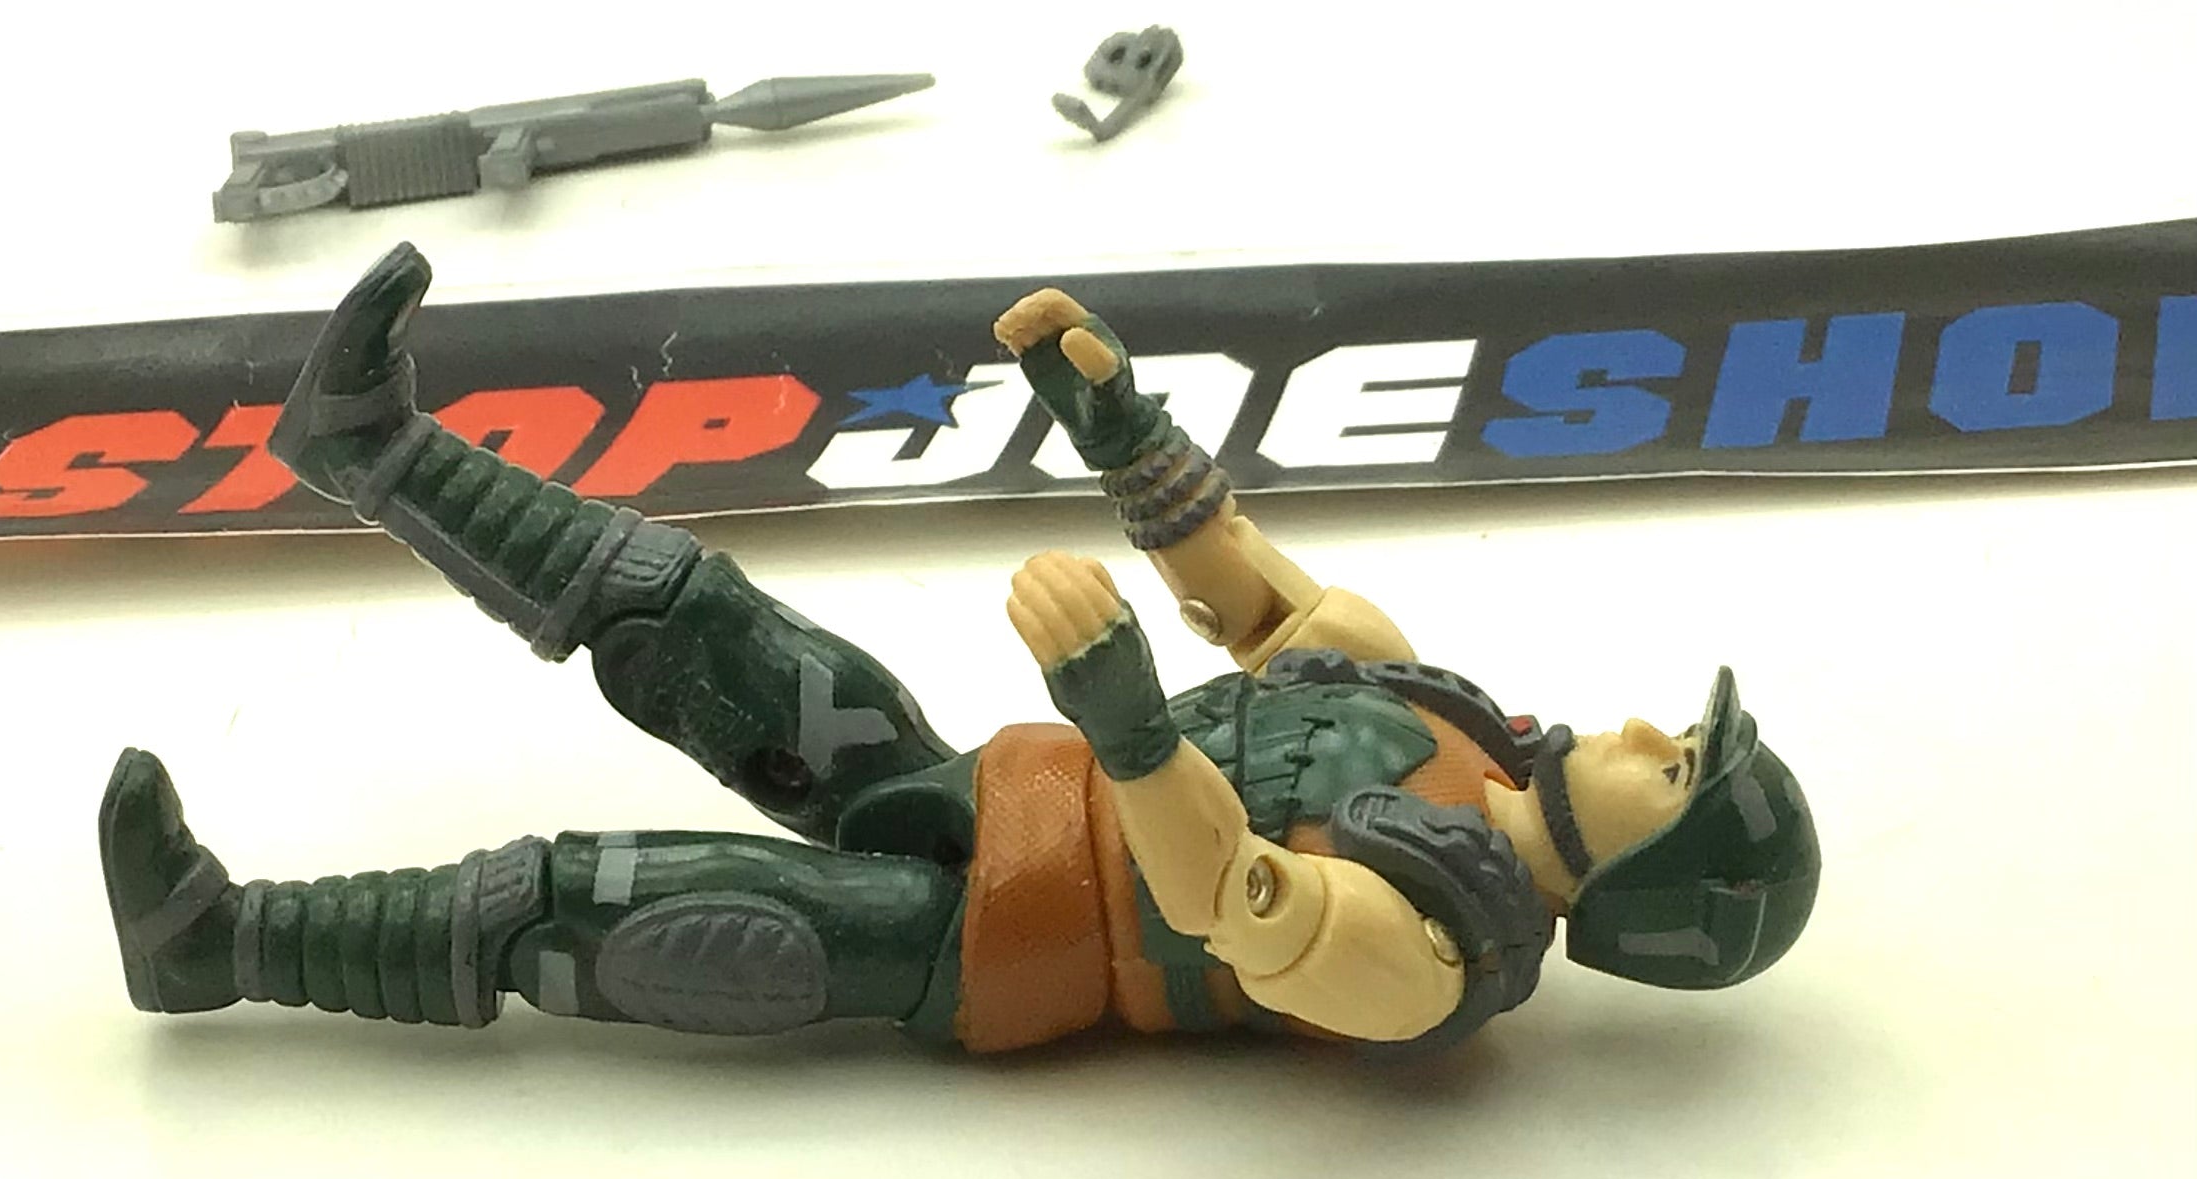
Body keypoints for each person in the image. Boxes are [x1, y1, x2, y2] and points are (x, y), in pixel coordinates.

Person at [99, 245, 1819, 1057]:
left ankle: (221, 943)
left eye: (1675, 768)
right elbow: (1255, 598)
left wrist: (1133, 724)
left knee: (580, 900)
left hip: (979, 941)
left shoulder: (1435, 959)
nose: (1646, 730)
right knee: (684, 613)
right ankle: (372, 449)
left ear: (1654, 882)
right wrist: (1121, 428)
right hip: (989, 784)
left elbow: (1243, 902)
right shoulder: (1430, 705)